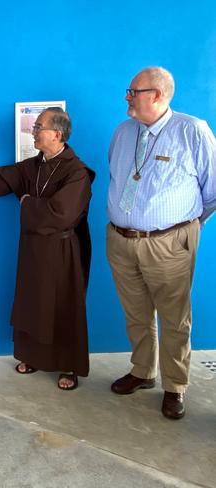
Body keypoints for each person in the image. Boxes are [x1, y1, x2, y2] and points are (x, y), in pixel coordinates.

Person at [0, 107, 94, 390]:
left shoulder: (77, 172)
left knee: (62, 307)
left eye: (38, 128)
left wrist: (27, 204)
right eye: (34, 127)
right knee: (32, 304)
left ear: (57, 134)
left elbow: (62, 214)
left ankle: (68, 366)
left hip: (61, 253)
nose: (32, 132)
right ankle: (32, 356)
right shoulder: (32, 166)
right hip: (33, 249)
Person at [107, 66, 216, 419]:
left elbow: (212, 192)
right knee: (135, 314)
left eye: (133, 91)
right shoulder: (123, 132)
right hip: (121, 241)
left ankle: (175, 386)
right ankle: (142, 371)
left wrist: (180, 232)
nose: (127, 96)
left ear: (156, 94)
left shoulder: (192, 131)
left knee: (173, 318)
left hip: (169, 244)